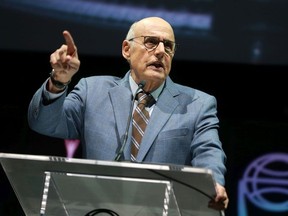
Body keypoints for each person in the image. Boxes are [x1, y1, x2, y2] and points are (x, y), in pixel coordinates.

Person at [28, 16, 229, 211]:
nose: (160, 51)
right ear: (127, 49)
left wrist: (213, 183)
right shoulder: (93, 91)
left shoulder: (198, 104)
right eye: (151, 42)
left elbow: (208, 151)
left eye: (168, 46)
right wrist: (59, 81)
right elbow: (44, 123)